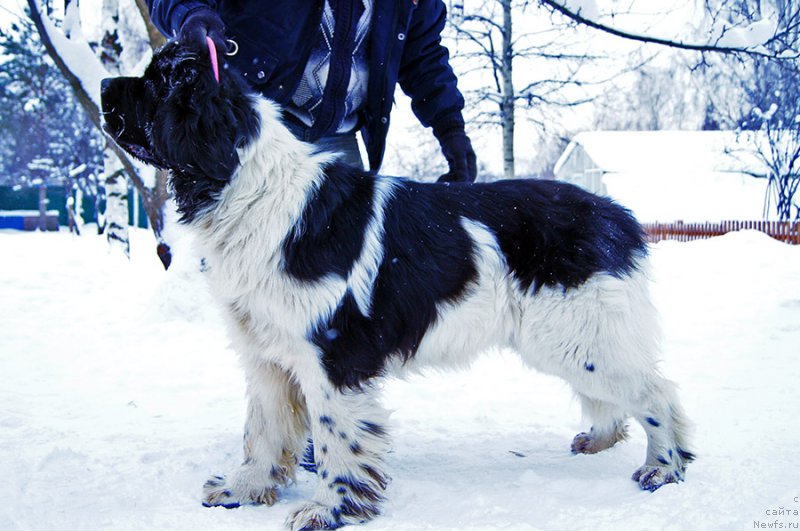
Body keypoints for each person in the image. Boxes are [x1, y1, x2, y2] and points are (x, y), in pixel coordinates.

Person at [146, 0, 477, 182]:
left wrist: (451, 130)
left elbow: (423, 56)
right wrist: (189, 13)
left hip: (339, 139)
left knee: (342, 270)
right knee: (244, 264)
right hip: (259, 127)